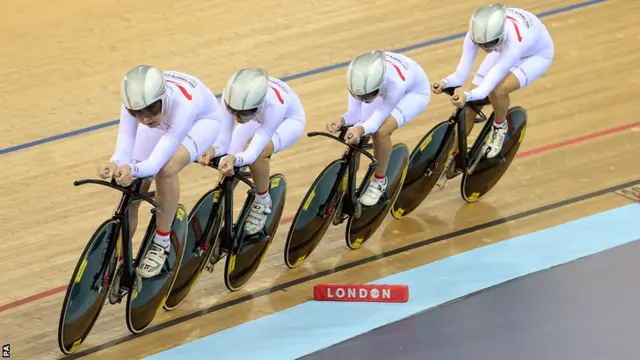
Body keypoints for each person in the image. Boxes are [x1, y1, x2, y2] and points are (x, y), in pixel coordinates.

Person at [98, 65, 228, 278]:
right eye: (137, 113)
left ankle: (162, 240)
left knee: (166, 170)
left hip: (201, 123)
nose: (146, 119)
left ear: (163, 97)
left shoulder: (183, 106)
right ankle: (117, 250)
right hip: (165, 125)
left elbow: (155, 163)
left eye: (151, 110)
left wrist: (133, 167)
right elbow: (124, 148)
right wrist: (114, 164)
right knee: (131, 187)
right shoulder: (134, 103)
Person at [432, 4, 554, 164]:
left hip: (535, 55)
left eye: (489, 44)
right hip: (503, 48)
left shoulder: (514, 43)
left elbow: (487, 87)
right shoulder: (477, 35)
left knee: (497, 91)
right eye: (481, 45)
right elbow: (461, 73)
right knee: (469, 110)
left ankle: (499, 126)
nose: (485, 49)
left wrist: (466, 95)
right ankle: (449, 158)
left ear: (499, 35)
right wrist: (444, 82)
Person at [198, 68, 306, 236]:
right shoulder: (232, 98)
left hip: (287, 121)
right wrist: (213, 149)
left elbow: (253, 153)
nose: (236, 117)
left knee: (260, 154)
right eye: (232, 110)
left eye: (242, 113)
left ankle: (263, 199)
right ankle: (218, 210)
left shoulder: (273, 107)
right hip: (255, 118)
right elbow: (223, 139)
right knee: (228, 161)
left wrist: (235, 159)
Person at [325, 50, 431, 206]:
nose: (363, 100)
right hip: (381, 88)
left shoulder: (395, 85)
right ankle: (344, 183)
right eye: (360, 96)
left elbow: (376, 122)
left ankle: (379, 181)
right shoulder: (356, 79)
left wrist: (360, 129)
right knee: (355, 134)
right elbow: (355, 115)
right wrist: (342, 119)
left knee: (381, 132)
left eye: (367, 96)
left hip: (413, 93)